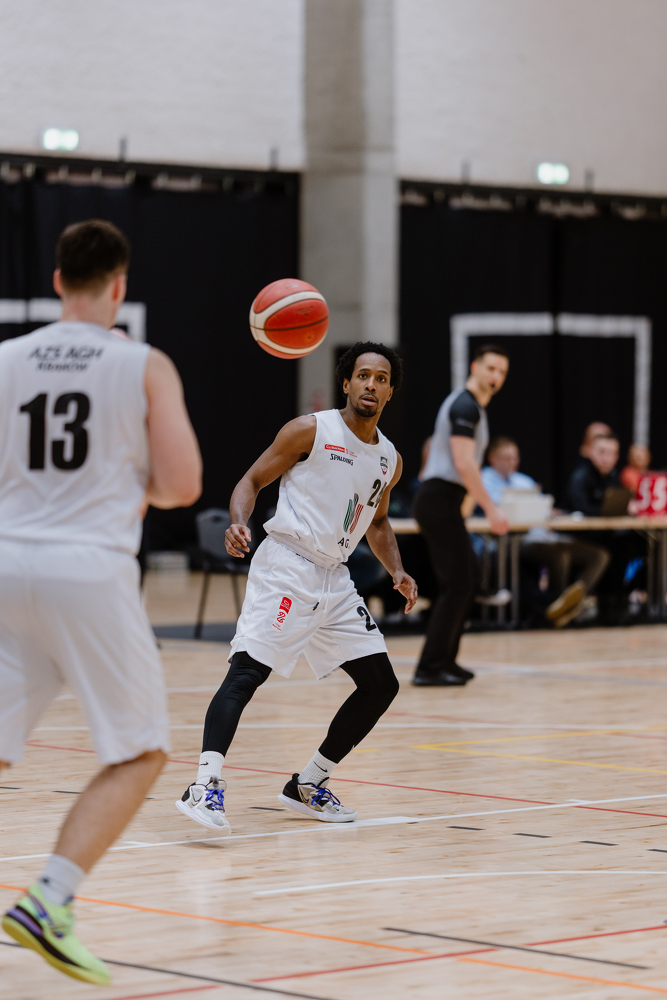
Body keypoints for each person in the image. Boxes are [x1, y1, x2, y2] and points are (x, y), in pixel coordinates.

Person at [0, 220, 202, 984]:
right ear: (119, 286)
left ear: (57, 282)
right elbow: (181, 485)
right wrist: (123, 480)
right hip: (86, 571)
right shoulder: (143, 364)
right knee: (141, 750)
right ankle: (49, 900)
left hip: (5, 561)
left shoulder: (5, 360)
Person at [176, 342, 417, 831]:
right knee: (247, 673)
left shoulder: (389, 459)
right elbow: (251, 481)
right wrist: (239, 521)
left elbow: (378, 522)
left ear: (391, 391)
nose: (371, 385)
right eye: (363, 375)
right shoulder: (310, 430)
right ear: (346, 382)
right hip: (288, 564)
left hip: (336, 576)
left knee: (381, 685)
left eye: (381, 378)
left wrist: (397, 570)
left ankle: (308, 784)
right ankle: (203, 785)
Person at [411, 344, 509, 687]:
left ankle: (446, 661)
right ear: (475, 367)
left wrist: (464, 511)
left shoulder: (474, 408)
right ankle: (429, 667)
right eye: (491, 368)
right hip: (437, 498)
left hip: (446, 501)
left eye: (502, 372)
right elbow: (464, 463)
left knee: (466, 580)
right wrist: (491, 508)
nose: (496, 376)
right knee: (458, 584)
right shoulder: (465, 406)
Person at [482, 436, 609, 627]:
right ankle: (554, 608)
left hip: (545, 534)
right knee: (558, 554)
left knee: (599, 555)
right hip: (512, 539)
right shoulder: (484, 480)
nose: (512, 462)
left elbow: (544, 508)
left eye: (515, 457)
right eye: (507, 458)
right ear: (493, 458)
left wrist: (551, 512)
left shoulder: (524, 481)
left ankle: (568, 604)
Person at [567, 433, 622, 515]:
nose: (606, 459)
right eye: (601, 452)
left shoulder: (614, 476)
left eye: (611, 453)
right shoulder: (580, 477)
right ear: (591, 452)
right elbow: (579, 507)